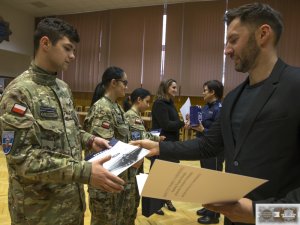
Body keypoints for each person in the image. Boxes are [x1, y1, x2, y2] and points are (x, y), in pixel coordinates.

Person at [131, 3, 300, 225]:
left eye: (233, 40)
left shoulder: (295, 86)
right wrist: (159, 147)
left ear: (263, 34)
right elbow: (208, 146)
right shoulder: (233, 98)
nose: (226, 50)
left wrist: (261, 214)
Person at [0, 18, 124, 225]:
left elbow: (71, 130)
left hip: (71, 206)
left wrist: (90, 140)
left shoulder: (63, 88)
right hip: (39, 213)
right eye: (67, 49)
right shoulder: (18, 93)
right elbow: (22, 159)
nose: (73, 56)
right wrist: (85, 171)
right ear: (45, 43)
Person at [83, 66, 134, 225]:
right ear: (113, 82)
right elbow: (105, 150)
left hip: (117, 177)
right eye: (124, 82)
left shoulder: (116, 107)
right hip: (104, 182)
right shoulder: (102, 108)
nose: (126, 86)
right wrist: (133, 156)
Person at [123, 87, 165, 221]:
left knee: (134, 201)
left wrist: (157, 138)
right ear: (138, 100)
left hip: (136, 163)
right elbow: (139, 139)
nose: (148, 105)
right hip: (132, 165)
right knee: (130, 204)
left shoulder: (135, 116)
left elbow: (142, 135)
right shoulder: (131, 116)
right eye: (147, 102)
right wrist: (154, 141)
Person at [151, 78, 186, 215]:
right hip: (162, 144)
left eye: (176, 88)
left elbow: (173, 123)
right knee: (159, 175)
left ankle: (167, 199)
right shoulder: (160, 104)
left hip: (171, 143)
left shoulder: (170, 103)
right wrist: (182, 123)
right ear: (166, 88)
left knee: (170, 174)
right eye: (173, 88)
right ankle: (155, 204)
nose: (176, 90)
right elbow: (166, 125)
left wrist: (181, 122)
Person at [192, 80, 224, 224]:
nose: (203, 93)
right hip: (204, 147)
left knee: (214, 182)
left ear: (212, 92)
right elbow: (201, 125)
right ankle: (208, 207)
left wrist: (203, 130)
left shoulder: (220, 109)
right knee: (206, 179)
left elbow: (220, 133)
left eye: (205, 90)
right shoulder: (205, 107)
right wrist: (191, 125)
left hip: (215, 150)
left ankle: (214, 215)